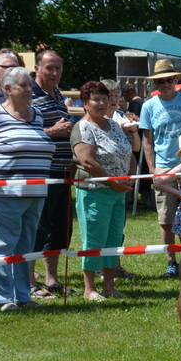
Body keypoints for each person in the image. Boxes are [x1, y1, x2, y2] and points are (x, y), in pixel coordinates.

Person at [0, 66, 55, 311]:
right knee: (2, 244)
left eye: (30, 85)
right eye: (24, 86)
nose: (30, 90)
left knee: (25, 246)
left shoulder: (36, 115)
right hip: (3, 193)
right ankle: (3, 298)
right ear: (7, 89)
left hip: (35, 193)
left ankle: (22, 295)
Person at [70, 80, 133, 302]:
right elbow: (87, 161)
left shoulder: (114, 125)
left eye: (105, 99)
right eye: (96, 99)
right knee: (94, 239)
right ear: (85, 103)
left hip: (118, 192)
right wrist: (115, 182)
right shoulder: (83, 127)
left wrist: (130, 177)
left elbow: (128, 152)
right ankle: (89, 289)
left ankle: (109, 286)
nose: (102, 103)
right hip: (95, 190)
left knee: (114, 239)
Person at [29, 50, 76, 297]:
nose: (55, 73)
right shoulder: (29, 95)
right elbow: (24, 133)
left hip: (63, 172)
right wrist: (52, 131)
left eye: (58, 68)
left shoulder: (57, 95)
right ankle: (30, 282)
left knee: (60, 228)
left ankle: (52, 279)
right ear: (37, 69)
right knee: (39, 227)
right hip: (42, 172)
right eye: (49, 68)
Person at [138, 59, 181, 276]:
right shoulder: (148, 106)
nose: (165, 84)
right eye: (160, 81)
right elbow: (147, 141)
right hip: (164, 167)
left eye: (168, 80)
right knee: (166, 219)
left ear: (176, 80)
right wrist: (152, 169)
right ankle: (172, 260)